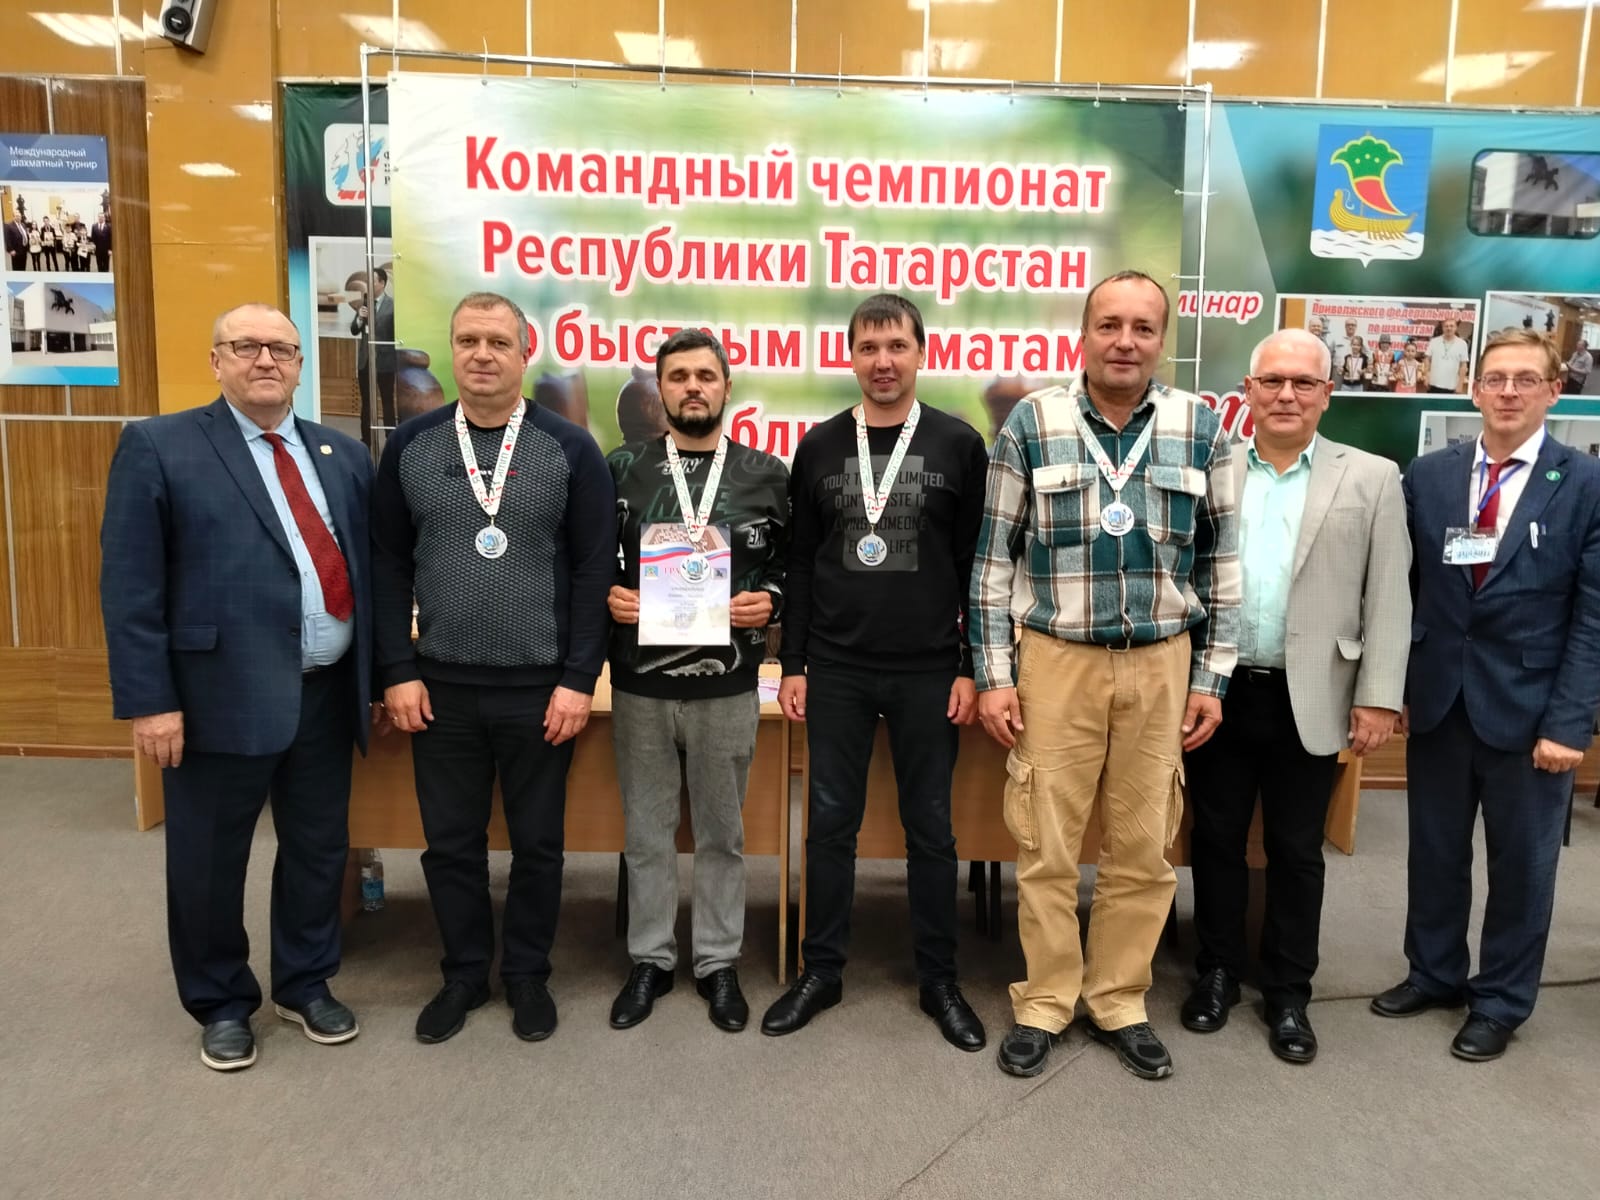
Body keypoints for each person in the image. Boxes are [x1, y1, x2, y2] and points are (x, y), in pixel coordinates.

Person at [970, 269, 1240, 1081]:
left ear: (1163, 340)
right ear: (1083, 335)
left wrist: (1211, 678)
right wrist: (994, 674)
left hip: (1162, 663)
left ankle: (1119, 998)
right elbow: (992, 562)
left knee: (1144, 847)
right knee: (1046, 843)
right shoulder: (1033, 421)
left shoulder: (1201, 427)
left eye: (1143, 328)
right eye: (1110, 325)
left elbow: (1223, 564)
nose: (1126, 341)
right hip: (1055, 661)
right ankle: (1046, 1001)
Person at [99, 303, 375, 1072]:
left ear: (299, 364)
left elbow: (367, 571)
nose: (265, 360)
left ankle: (305, 981)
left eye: (281, 348)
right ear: (216, 360)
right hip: (216, 696)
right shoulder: (161, 446)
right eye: (246, 346)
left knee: (318, 850)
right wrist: (151, 701)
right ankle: (220, 1001)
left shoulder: (341, 454)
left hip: (325, 693)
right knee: (209, 860)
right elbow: (130, 586)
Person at [372, 290, 614, 1047]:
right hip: (439, 685)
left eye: (498, 342)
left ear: (524, 352)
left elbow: (593, 571)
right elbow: (387, 564)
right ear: (452, 350)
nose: (482, 354)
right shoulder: (411, 446)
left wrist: (578, 679)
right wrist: (396, 668)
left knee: (538, 845)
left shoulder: (570, 449)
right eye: (469, 340)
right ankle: (464, 974)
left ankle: (528, 974)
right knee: (450, 844)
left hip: (539, 689)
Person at [762, 292, 988, 1052]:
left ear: (922, 353)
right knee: (830, 824)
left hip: (931, 669)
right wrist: (794, 662)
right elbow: (801, 561)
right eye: (869, 347)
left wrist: (971, 666)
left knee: (931, 829)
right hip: (837, 667)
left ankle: (939, 980)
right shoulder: (820, 446)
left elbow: (975, 565)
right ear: (851, 356)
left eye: (897, 346)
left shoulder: (958, 444)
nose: (883, 361)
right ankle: (821, 971)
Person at [1180, 329, 1410, 1064]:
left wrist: (1379, 696)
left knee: (1295, 849)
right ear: (1246, 391)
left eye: (1303, 383)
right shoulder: (1211, 468)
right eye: (1272, 381)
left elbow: (1390, 596)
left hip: (1315, 694)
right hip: (1217, 690)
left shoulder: (1372, 477)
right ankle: (1217, 972)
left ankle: (1288, 992)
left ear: (1326, 394)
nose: (1286, 395)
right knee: (1215, 840)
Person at [1373, 329, 1600, 1062]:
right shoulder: (1430, 475)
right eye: (1495, 378)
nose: (1508, 392)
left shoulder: (1585, 482)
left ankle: (1500, 1000)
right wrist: (1397, 687)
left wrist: (1570, 723)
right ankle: (1434, 973)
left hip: (1533, 714)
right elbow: (1406, 589)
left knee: (1522, 868)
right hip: (1440, 700)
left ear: (1553, 392)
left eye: (1526, 379)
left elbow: (1594, 615)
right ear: (1473, 390)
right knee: (1434, 852)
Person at [603, 329, 788, 1033]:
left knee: (721, 834)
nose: (692, 388)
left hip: (729, 685)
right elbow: (590, 558)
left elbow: (795, 567)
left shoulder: (767, 473)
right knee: (647, 833)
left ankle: (717, 962)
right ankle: (650, 960)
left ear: (726, 387)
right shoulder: (623, 468)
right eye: (678, 376)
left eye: (705, 376)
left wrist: (773, 600)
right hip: (640, 683)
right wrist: (608, 595)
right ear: (661, 390)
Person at [350, 266, 396, 445]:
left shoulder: (392, 305)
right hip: (366, 362)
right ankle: (366, 442)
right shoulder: (364, 303)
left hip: (385, 362)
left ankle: (391, 441)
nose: (368, 284)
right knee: (367, 404)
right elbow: (354, 330)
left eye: (372, 281)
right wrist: (360, 318)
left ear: (382, 283)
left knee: (387, 402)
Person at [1425, 317, 1471, 394]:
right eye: (1446, 326)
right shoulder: (1434, 342)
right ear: (1442, 328)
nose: (1449, 328)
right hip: (1433, 384)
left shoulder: (1462, 344)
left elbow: (1463, 365)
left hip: (1452, 386)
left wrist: (1460, 384)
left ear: (1456, 328)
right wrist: (1426, 376)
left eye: (1451, 326)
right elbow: (1427, 359)